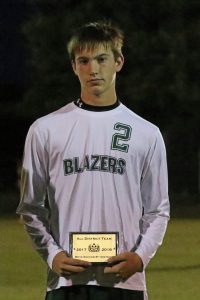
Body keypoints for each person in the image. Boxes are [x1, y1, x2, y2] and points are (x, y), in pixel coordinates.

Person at [17, 21, 170, 300]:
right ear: (74, 67)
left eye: (101, 59)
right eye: (84, 61)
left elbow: (158, 210)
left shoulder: (147, 133)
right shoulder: (45, 129)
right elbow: (30, 208)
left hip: (125, 282)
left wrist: (139, 257)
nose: (93, 69)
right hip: (67, 283)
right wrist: (53, 255)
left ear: (118, 62)